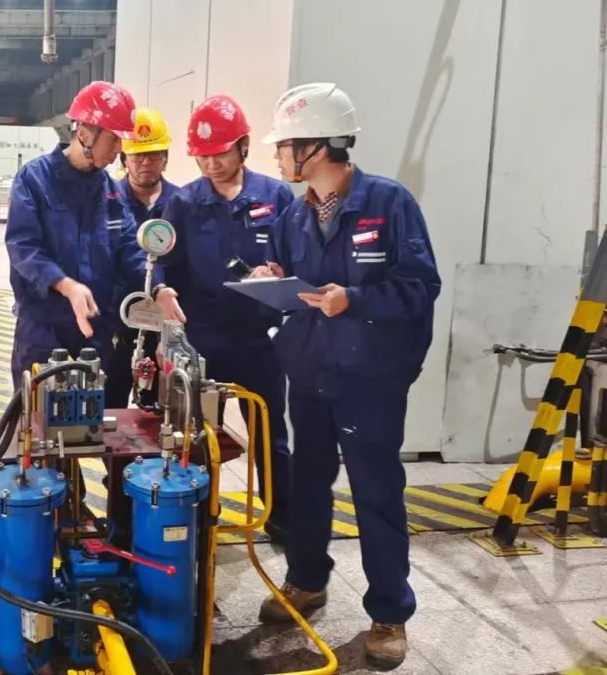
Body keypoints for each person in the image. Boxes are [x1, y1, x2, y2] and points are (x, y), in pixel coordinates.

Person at [254, 83, 441, 668]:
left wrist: (353, 300)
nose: (278, 156)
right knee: (308, 484)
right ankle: (307, 581)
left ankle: (389, 612)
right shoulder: (293, 215)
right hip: (311, 374)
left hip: (370, 381)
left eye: (284, 146)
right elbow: (289, 279)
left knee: (376, 493)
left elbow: (420, 286)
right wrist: (271, 278)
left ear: (316, 147)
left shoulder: (389, 203)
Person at [159, 94, 293, 540]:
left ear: (243, 146)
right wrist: (161, 290)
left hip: (259, 339)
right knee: (196, 438)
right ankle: (199, 521)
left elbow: (295, 256)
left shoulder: (275, 196)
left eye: (220, 153)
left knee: (270, 436)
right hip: (203, 340)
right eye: (202, 157)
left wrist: (279, 272)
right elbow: (165, 264)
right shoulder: (184, 203)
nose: (211, 165)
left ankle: (280, 516)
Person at [6, 82, 185, 389]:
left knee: (93, 415)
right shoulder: (34, 180)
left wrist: (158, 288)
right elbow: (22, 247)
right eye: (114, 139)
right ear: (86, 134)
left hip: (96, 330)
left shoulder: (110, 191)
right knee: (39, 413)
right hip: (43, 329)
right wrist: (67, 286)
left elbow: (130, 248)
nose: (119, 150)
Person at [105, 108, 181, 409]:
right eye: (137, 155)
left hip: (164, 326)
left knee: (161, 412)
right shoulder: (107, 201)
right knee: (108, 410)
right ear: (124, 159)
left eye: (153, 154)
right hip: (115, 325)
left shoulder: (182, 203)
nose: (146, 162)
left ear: (165, 158)